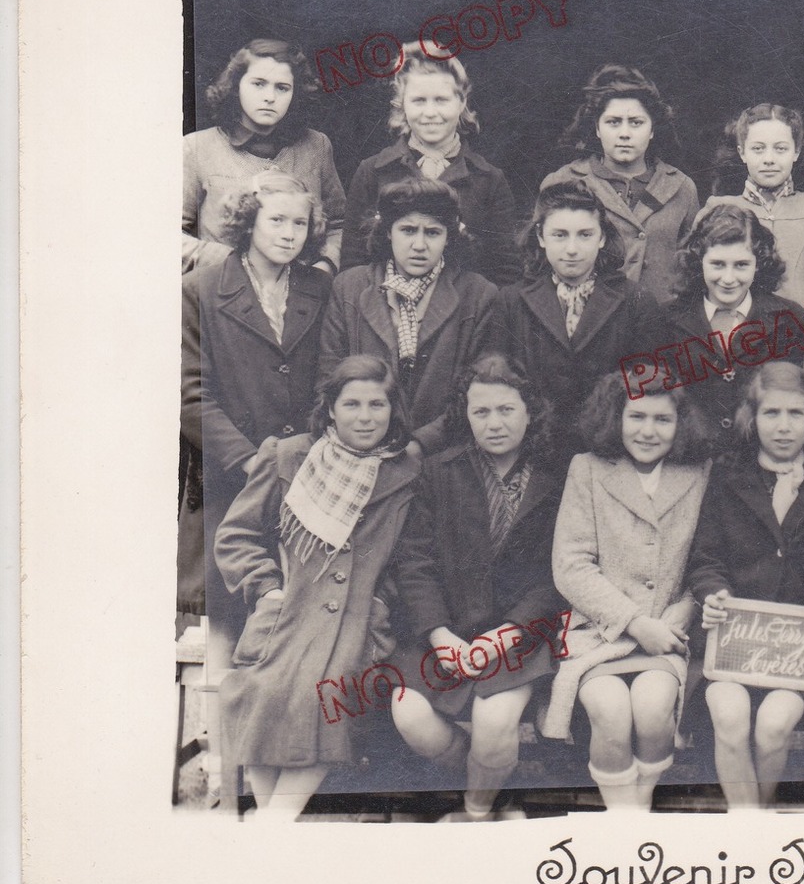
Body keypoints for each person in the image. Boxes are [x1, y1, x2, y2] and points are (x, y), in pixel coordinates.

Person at [180, 170, 333, 804]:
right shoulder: (201, 288)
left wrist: (303, 459)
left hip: (306, 478)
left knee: (287, 620)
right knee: (226, 621)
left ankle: (270, 778)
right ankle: (222, 771)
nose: (290, 234)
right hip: (230, 477)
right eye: (277, 221)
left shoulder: (319, 289)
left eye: (300, 224)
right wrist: (250, 462)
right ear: (249, 222)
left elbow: (330, 372)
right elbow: (189, 393)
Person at [214, 356, 421, 820]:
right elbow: (236, 536)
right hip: (286, 613)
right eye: (351, 404)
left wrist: (382, 603)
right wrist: (266, 589)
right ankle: (274, 828)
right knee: (262, 695)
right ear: (330, 409)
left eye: (376, 404)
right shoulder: (287, 456)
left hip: (357, 619)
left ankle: (270, 828)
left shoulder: (406, 470)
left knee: (324, 698)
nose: (365, 417)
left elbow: (412, 557)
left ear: (392, 410)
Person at [388, 354, 567, 821]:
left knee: (495, 721)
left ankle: (476, 812)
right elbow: (415, 563)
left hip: (521, 635)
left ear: (530, 411)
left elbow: (559, 573)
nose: (494, 423)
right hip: (447, 630)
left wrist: (511, 633)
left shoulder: (558, 478)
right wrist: (439, 635)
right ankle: (493, 781)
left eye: (506, 410)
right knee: (411, 715)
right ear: (465, 417)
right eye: (481, 412)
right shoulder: (439, 472)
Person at [545, 375, 716, 810]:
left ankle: (638, 807)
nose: (647, 430)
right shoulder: (586, 468)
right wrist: (635, 623)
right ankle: (625, 819)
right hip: (600, 632)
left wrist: (685, 610)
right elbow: (571, 566)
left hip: (668, 629)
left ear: (681, 423)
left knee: (653, 706)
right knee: (610, 711)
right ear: (615, 417)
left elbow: (710, 558)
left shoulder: (699, 473)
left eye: (663, 419)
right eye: (636, 416)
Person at [686, 363, 804, 809]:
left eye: (795, 414)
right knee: (729, 714)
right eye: (771, 413)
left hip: (797, 654)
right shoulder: (725, 477)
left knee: (775, 724)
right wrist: (712, 593)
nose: (783, 427)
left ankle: (763, 805)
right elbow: (705, 558)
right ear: (751, 419)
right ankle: (748, 821)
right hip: (733, 645)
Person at [319, 177, 501, 456]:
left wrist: (421, 444)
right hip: (355, 448)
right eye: (407, 230)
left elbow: (477, 390)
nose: (419, 245)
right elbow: (329, 376)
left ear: (449, 236)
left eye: (432, 232)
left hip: (441, 456)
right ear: (388, 232)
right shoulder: (350, 287)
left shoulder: (477, 294)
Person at [494, 181, 668, 465]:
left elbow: (648, 389)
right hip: (532, 456)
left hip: (609, 455)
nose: (572, 249)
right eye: (559, 235)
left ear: (601, 238)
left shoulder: (636, 300)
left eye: (585, 235)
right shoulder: (510, 301)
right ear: (541, 236)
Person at [344, 44, 520, 286]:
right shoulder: (372, 171)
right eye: (418, 101)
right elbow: (353, 267)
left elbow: (505, 273)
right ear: (402, 104)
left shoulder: (489, 179)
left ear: (461, 103)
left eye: (441, 100)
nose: (430, 112)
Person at [536, 64, 700, 304]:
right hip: (589, 324)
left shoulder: (681, 188)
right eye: (613, 122)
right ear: (597, 128)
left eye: (636, 122)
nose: (625, 133)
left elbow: (694, 267)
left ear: (652, 129)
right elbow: (538, 265)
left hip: (662, 326)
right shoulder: (563, 182)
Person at [183, 38, 346, 273]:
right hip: (225, 290)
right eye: (258, 84)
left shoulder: (316, 146)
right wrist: (229, 262)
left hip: (304, 296)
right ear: (236, 85)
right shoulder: (197, 147)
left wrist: (326, 265)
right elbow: (168, 237)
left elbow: (339, 225)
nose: (270, 97)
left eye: (282, 87)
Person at [661, 204, 804, 450]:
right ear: (699, 262)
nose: (729, 279)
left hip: (756, 457)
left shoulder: (788, 318)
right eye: (718, 264)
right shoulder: (668, 318)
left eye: (741, 265)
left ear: (758, 263)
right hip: (690, 454)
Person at [696, 103, 804, 306]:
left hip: (800, 331)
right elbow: (693, 281)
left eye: (780, 149)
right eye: (758, 149)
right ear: (742, 152)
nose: (769, 159)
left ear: (796, 152)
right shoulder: (716, 209)